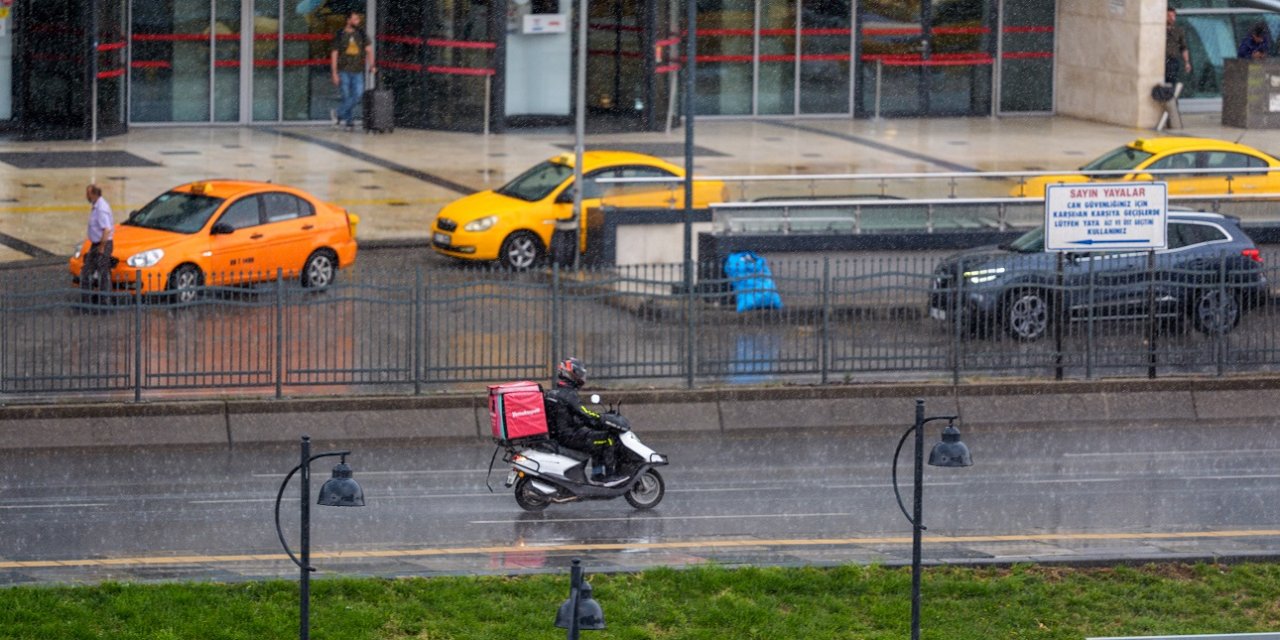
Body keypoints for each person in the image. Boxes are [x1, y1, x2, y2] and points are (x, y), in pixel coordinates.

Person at [543, 357, 618, 482]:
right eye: (579, 374)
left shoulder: (554, 392)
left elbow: (566, 416)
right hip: (569, 436)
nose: (581, 377)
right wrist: (603, 418)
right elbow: (584, 413)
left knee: (596, 437)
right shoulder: (568, 394)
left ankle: (597, 474)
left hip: (559, 435)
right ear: (571, 374)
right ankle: (606, 475)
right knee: (608, 439)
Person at [329, 11, 374, 129]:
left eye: (358, 19)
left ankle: (337, 113)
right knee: (346, 96)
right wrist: (334, 73)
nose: (357, 22)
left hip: (357, 71)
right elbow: (334, 53)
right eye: (354, 19)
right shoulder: (340, 34)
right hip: (343, 70)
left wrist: (372, 65)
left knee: (358, 95)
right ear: (348, 20)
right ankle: (349, 122)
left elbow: (369, 50)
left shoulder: (362, 33)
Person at [81, 183, 114, 304]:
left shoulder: (101, 208)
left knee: (103, 273)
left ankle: (105, 300)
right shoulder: (97, 205)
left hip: (102, 244)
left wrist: (101, 248)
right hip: (97, 244)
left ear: (93, 194)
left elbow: (107, 229)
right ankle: (87, 299)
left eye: (88, 193)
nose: (86, 196)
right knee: (88, 271)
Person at [1165, 8, 1191, 84]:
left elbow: (1184, 47)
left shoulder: (1178, 30)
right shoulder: (1159, 29)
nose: (1172, 18)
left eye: (1173, 16)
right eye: (1169, 16)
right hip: (1160, 60)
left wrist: (1187, 62)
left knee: (1171, 83)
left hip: (1172, 60)